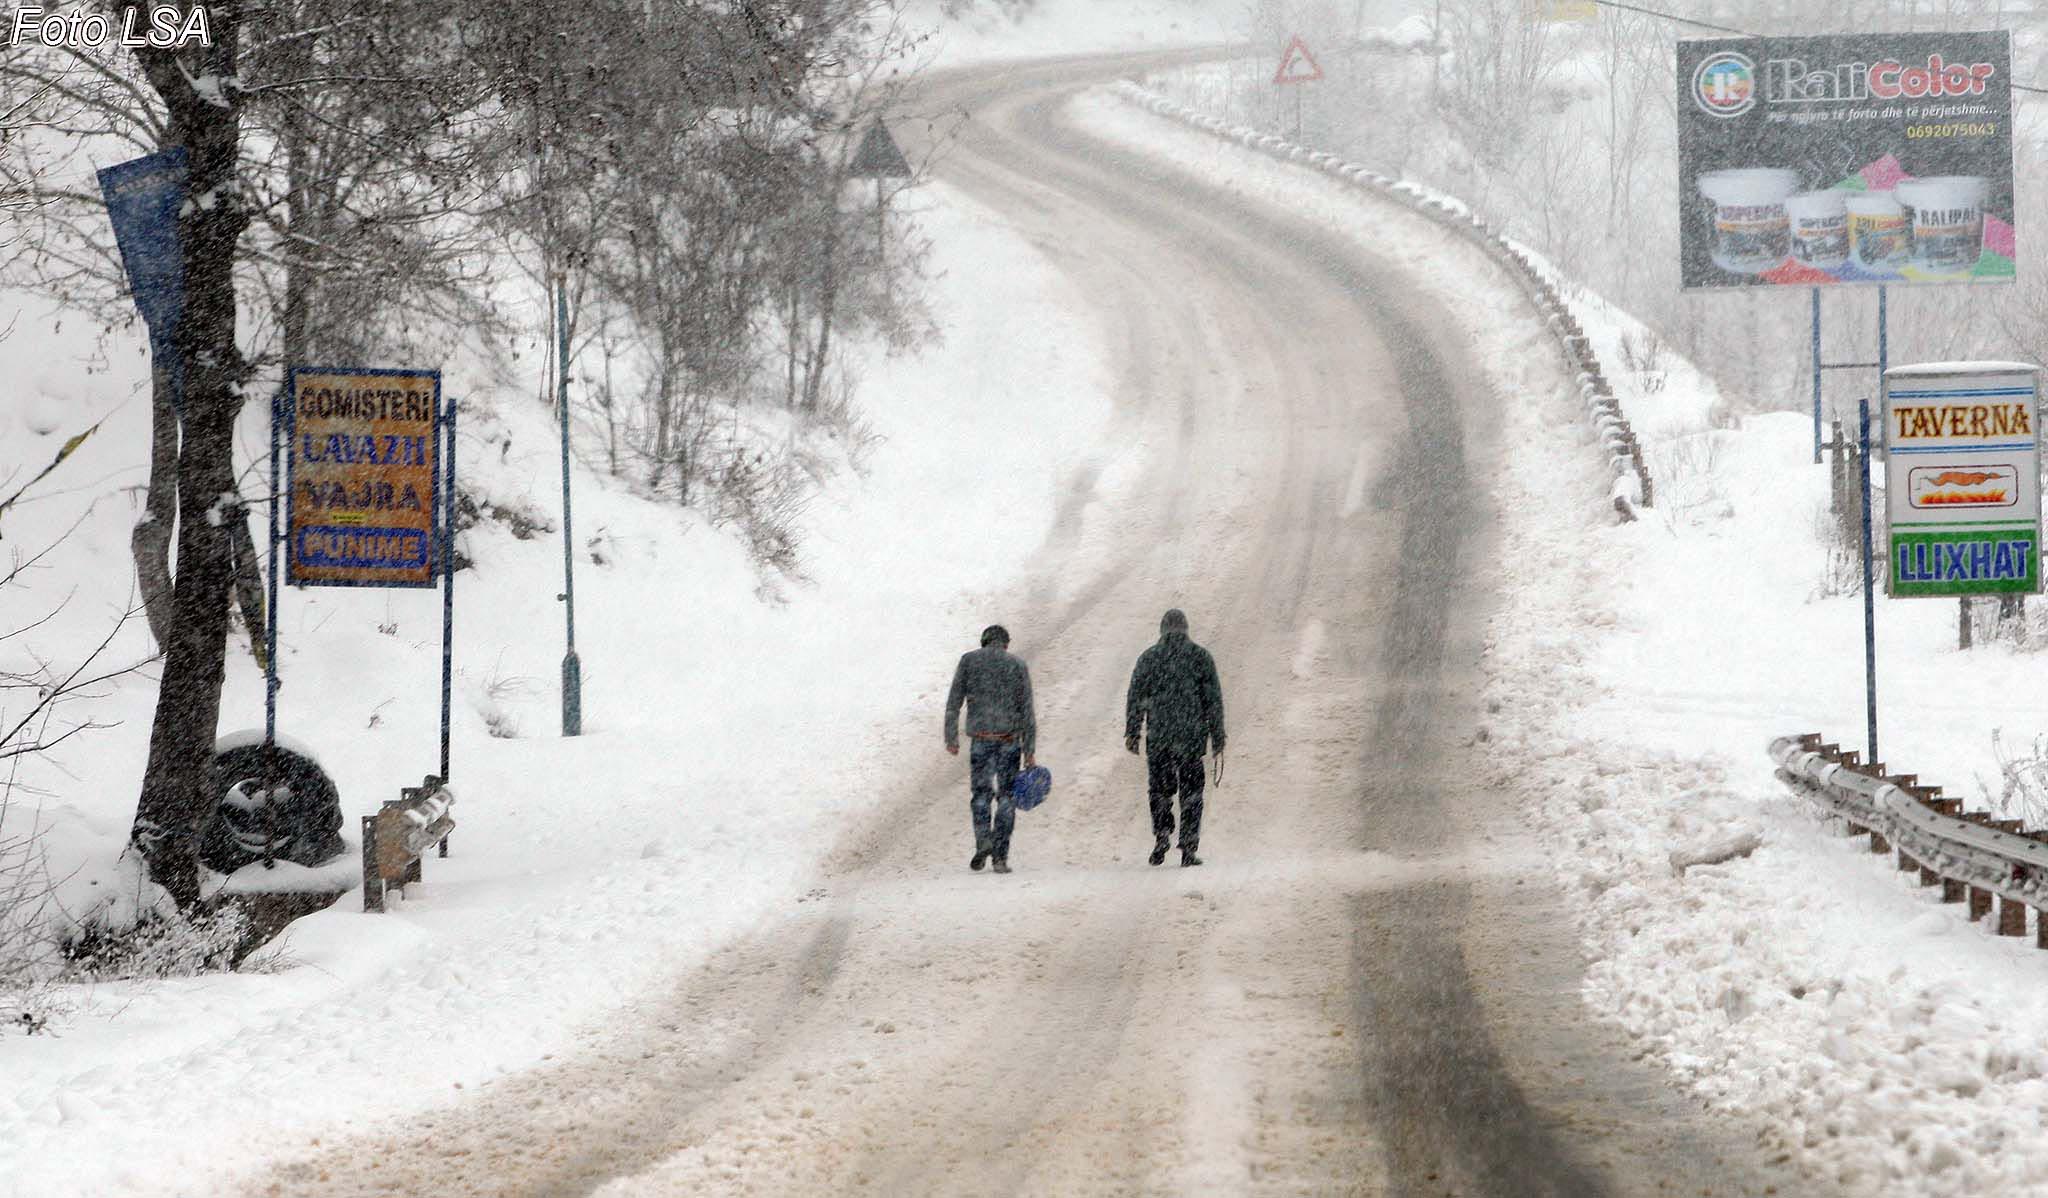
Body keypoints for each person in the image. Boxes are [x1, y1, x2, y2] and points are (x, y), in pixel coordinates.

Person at [1125, 609, 1225, 867]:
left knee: (1159, 791)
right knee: (1192, 794)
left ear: (1162, 630)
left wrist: (1133, 732)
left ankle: (1162, 835)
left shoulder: (1148, 658)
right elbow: (1213, 701)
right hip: (1191, 739)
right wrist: (1217, 736)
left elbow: (1135, 697)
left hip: (1159, 738)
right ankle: (1188, 848)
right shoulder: (1200, 657)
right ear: (1185, 629)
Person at [944, 624, 1037, 875]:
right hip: (1009, 740)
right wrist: (1029, 750)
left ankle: (983, 840)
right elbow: (1027, 711)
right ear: (1005, 644)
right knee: (1007, 797)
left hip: (981, 739)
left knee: (981, 795)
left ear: (984, 641)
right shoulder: (1017, 665)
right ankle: (1000, 857)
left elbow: (953, 703)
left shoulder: (969, 661)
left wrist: (951, 737)